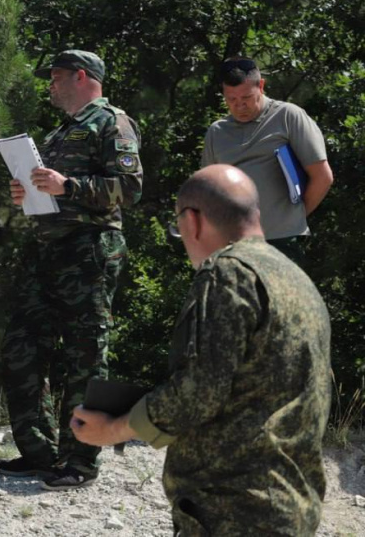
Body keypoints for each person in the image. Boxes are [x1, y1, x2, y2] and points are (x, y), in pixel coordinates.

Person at [71, 164, 331, 535]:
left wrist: (113, 428)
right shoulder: (297, 279)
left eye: (179, 228)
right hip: (290, 507)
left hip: (234, 511)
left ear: (192, 221)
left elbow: (198, 392)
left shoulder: (227, 273)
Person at [0, 50, 142, 490]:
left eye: (57, 77)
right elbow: (54, 190)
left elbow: (131, 189)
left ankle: (80, 460)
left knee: (85, 355)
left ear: (82, 77)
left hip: (89, 252)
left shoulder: (112, 122)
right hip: (48, 253)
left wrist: (68, 186)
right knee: (21, 345)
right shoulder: (61, 132)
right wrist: (29, 194)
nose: (50, 85)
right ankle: (40, 452)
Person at [202, 56, 333, 264]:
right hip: (236, 245)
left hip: (284, 242)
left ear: (261, 86)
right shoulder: (217, 132)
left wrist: (293, 219)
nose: (239, 106)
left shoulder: (288, 116)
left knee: (285, 298)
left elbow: (322, 177)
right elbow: (209, 192)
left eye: (246, 97)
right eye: (231, 100)